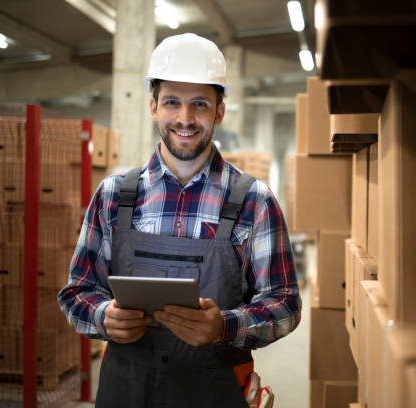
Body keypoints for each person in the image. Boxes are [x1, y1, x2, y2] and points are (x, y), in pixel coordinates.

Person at [58, 33, 301, 407]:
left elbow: (285, 305)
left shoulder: (255, 201)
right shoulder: (113, 196)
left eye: (200, 104)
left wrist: (224, 326)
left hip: (212, 393)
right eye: (172, 102)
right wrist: (104, 316)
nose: (185, 119)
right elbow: (75, 293)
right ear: (153, 106)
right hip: (125, 391)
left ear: (219, 110)